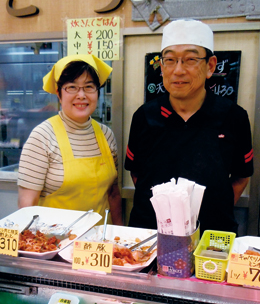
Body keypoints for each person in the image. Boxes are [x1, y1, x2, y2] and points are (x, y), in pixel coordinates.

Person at [125, 19, 254, 234]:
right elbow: (137, 174)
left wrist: (214, 208)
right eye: (169, 60)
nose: (178, 70)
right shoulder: (144, 116)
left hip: (212, 234)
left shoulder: (234, 116)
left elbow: (242, 176)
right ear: (162, 66)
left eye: (190, 60)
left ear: (210, 66)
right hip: (149, 233)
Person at [18, 54, 123, 225]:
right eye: (72, 87)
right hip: (54, 245)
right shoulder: (42, 136)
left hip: (98, 246)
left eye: (89, 87)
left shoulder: (106, 134)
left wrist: (120, 233)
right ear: (59, 94)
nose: (81, 95)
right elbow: (26, 205)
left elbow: (113, 193)